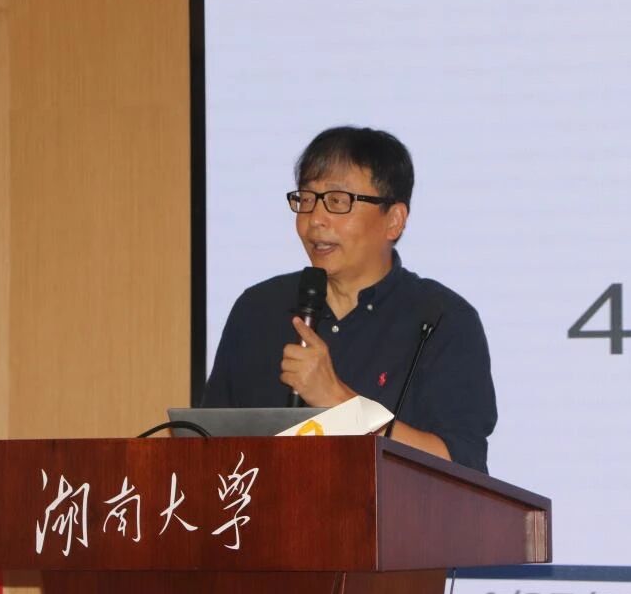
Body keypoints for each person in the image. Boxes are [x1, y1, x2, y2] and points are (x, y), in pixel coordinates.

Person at [203, 126, 497, 472]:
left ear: (394, 220)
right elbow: (205, 447)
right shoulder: (258, 310)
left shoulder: (441, 319)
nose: (315, 220)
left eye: (338, 201)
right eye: (306, 199)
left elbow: (462, 467)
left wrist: (339, 402)